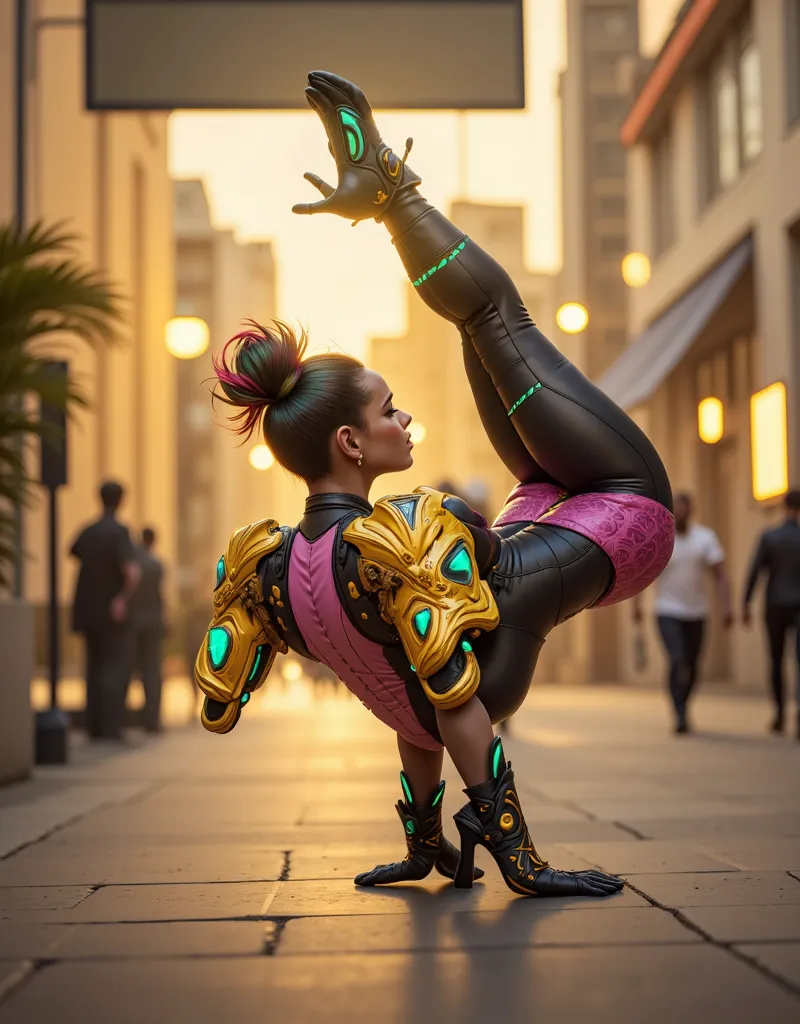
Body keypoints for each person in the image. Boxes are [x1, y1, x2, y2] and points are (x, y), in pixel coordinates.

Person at [195, 73, 675, 899]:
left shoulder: (280, 566)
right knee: (493, 318)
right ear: (351, 442)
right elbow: (453, 708)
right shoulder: (396, 544)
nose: (404, 419)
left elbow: (407, 702)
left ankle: (385, 194)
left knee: (480, 324)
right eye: (389, 411)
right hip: (623, 502)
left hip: (546, 513)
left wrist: (423, 844)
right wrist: (521, 860)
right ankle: (390, 191)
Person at [636, 493, 733, 734]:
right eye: (676, 510)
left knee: (693, 663)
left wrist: (727, 605)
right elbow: (643, 572)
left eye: (684, 510)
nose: (680, 514)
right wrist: (636, 605)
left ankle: (684, 703)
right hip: (667, 610)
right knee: (678, 659)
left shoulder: (705, 538)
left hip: (697, 611)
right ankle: (679, 712)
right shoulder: (661, 538)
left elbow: (719, 573)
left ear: (691, 511)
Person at [70, 481, 140, 740]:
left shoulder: (88, 531)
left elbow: (73, 552)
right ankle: (112, 728)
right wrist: (121, 599)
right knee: (114, 667)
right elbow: (131, 573)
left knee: (92, 667)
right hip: (112, 613)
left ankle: (94, 728)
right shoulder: (119, 532)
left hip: (88, 611)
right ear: (120, 500)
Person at [743, 489, 800, 736]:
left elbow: (755, 572)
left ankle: (779, 714)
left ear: (783, 506)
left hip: (775, 605)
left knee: (776, 660)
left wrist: (745, 603)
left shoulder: (770, 536)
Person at [129, 527, 167, 733]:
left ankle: (126, 719)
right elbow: (161, 598)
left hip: (134, 624)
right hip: (153, 624)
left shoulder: (135, 564)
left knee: (129, 670)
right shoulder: (157, 565)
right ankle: (152, 720)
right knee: (152, 671)